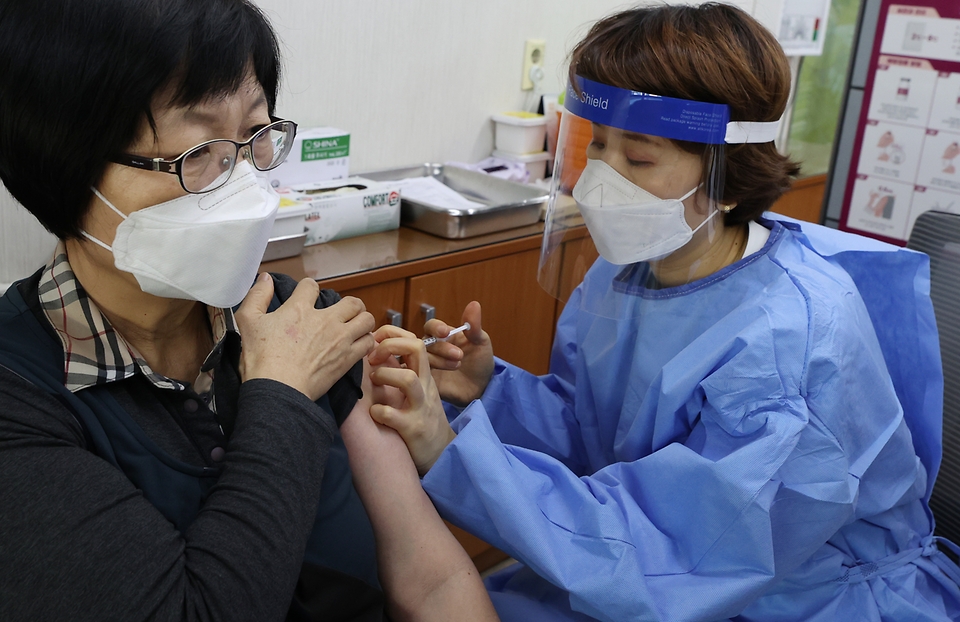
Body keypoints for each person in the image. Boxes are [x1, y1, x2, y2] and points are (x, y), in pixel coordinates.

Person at [362, 4, 960, 621]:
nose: (599, 178)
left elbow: (680, 553)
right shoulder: (634, 268)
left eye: (639, 160)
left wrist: (447, 452)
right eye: (597, 145)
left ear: (728, 178)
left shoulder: (787, 346)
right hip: (645, 553)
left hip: (793, 595)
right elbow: (597, 434)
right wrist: (495, 390)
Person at [0, 1, 497, 620]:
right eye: (200, 151)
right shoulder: (20, 397)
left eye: (253, 139)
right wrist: (281, 394)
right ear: (64, 166)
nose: (240, 184)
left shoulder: (304, 319)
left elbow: (433, 579)